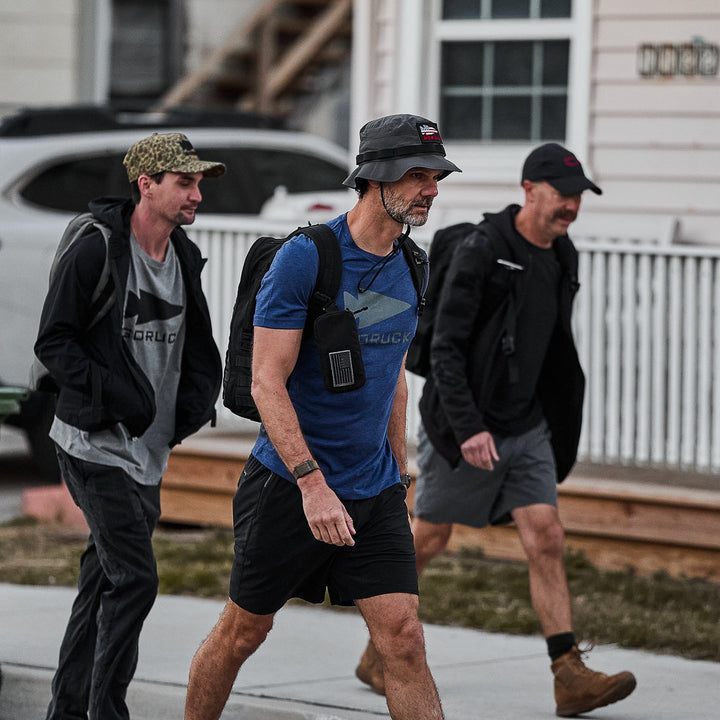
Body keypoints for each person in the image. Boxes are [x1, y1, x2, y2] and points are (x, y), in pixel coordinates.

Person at [183, 113, 460, 720]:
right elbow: (266, 380)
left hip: (373, 487)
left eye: (436, 177)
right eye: (418, 176)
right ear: (375, 178)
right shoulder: (306, 258)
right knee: (243, 633)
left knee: (405, 640)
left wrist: (399, 475)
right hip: (289, 485)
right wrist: (312, 484)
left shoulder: (413, 265)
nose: (431, 190)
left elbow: (392, 380)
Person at [355, 143, 638, 717]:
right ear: (529, 190)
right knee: (430, 538)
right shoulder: (484, 250)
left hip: (526, 425)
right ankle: (379, 649)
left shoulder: (562, 254)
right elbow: (445, 348)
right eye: (563, 195)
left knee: (546, 536)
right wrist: (468, 427)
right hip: (465, 426)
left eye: (578, 197)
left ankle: (568, 674)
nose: (572, 207)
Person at [35, 132, 225, 720]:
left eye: (198, 183)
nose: (196, 195)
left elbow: (193, 341)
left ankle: (68, 710)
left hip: (149, 447)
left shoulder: (183, 254)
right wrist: (116, 398)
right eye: (184, 183)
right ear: (147, 184)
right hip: (94, 443)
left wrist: (194, 401)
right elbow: (54, 343)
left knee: (103, 582)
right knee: (136, 579)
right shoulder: (97, 250)